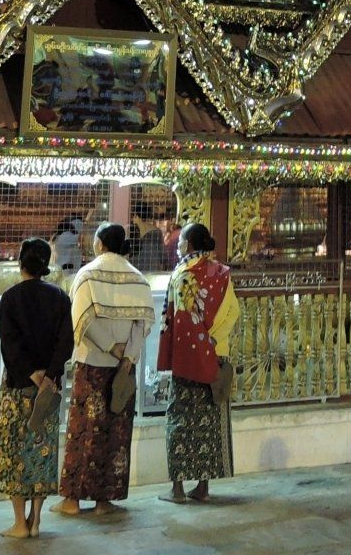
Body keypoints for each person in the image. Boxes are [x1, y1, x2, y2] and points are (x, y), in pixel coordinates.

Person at [56, 222, 155, 517]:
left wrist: (110, 347)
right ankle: (104, 500)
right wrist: (127, 356)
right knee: (116, 432)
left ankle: (72, 500)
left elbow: (82, 320)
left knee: (84, 431)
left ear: (99, 243)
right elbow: (143, 323)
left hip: (93, 365)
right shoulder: (137, 279)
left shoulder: (87, 276)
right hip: (124, 369)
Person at [0, 237, 73, 539]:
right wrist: (49, 376)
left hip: (18, 388)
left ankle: (19, 523)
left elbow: (10, 345)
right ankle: (36, 521)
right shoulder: (61, 298)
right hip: (48, 392)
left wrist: (32, 375)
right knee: (42, 452)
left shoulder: (10, 298)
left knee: (14, 455)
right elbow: (66, 343)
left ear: (21, 263)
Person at [158, 222, 239, 505]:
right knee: (209, 421)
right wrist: (214, 341)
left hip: (188, 357)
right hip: (217, 355)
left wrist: (201, 343)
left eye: (181, 239)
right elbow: (233, 312)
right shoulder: (222, 274)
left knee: (180, 419)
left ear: (190, 244)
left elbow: (180, 320)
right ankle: (203, 485)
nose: (179, 244)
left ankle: (178, 488)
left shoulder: (182, 274)